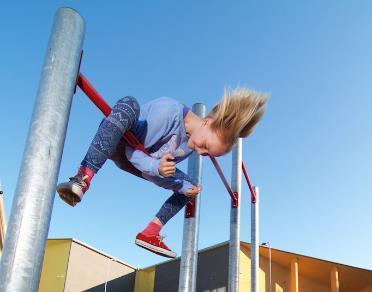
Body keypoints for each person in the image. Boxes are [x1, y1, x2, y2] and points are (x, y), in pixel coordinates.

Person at [56, 87, 268, 258]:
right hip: (119, 136)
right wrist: (156, 167)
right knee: (129, 102)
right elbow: (133, 152)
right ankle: (82, 178)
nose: (199, 151)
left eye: (205, 154)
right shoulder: (169, 112)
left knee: (190, 186)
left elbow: (154, 173)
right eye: (204, 144)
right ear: (207, 122)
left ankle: (151, 232)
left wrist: (183, 186)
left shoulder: (189, 142)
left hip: (141, 161)